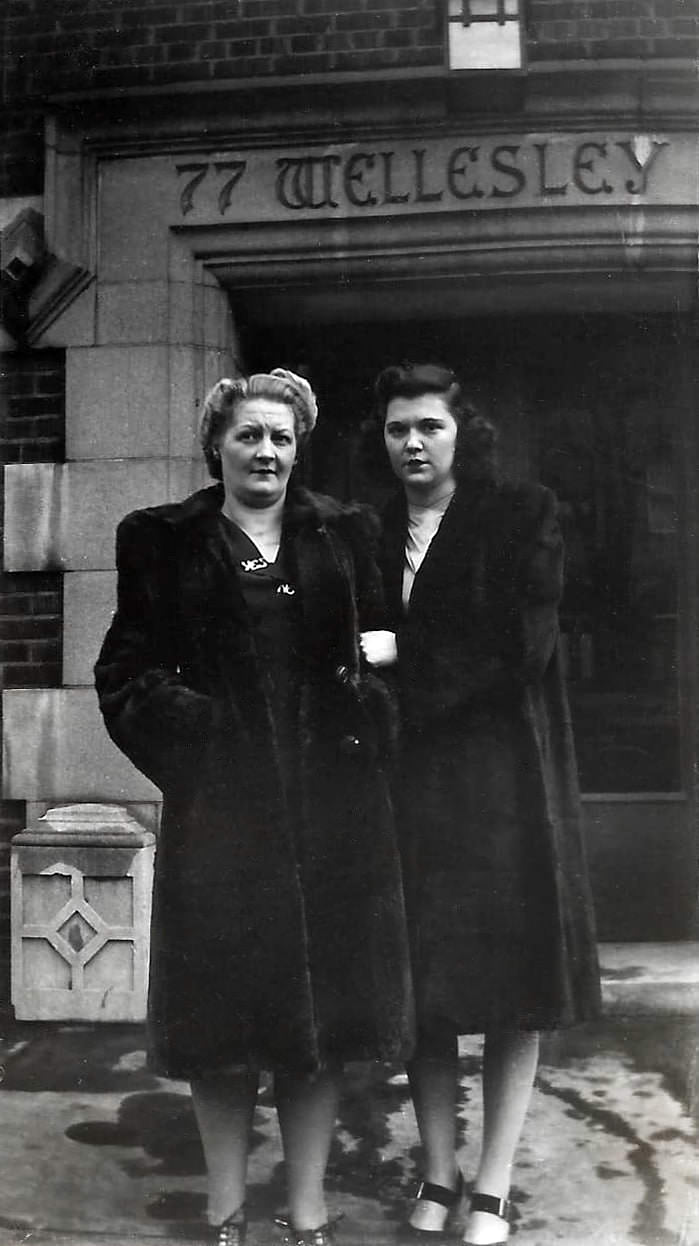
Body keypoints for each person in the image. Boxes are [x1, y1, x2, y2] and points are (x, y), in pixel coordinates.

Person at [94, 369, 414, 1246]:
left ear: (296, 446)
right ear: (216, 446)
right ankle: (226, 1211)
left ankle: (306, 1212)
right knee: (222, 1029)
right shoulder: (162, 541)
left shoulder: (346, 535)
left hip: (332, 820)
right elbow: (123, 674)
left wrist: (364, 727)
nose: (265, 452)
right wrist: (203, 742)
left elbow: (384, 661)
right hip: (222, 824)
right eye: (248, 436)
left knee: (317, 1029)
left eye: (279, 437)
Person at [366, 362, 601, 1246]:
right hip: (406, 787)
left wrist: (401, 654)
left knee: (510, 986)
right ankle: (436, 1170)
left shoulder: (521, 514)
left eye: (428, 426)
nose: (412, 444)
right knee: (419, 987)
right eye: (396, 430)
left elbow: (520, 645)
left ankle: (493, 1186)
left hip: (502, 785)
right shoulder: (373, 529)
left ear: (464, 432)